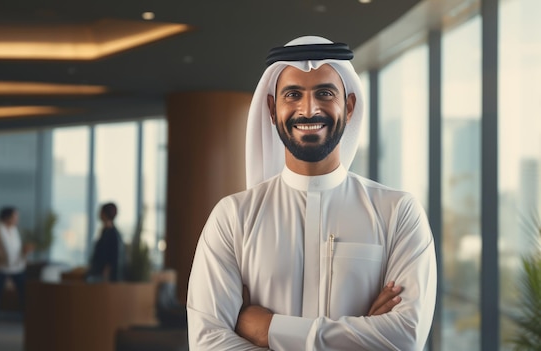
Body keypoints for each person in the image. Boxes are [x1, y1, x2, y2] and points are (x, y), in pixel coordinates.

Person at [186, 36, 437, 350]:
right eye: (292, 94)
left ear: (348, 106)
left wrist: (268, 330)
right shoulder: (233, 217)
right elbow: (208, 342)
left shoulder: (398, 213)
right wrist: (364, 334)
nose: (308, 109)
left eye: (324, 93)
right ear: (271, 109)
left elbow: (406, 336)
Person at [0, 206, 33, 342]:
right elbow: (7, 257)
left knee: (25, 296)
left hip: (16, 268)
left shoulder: (12, 229)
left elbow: (15, 252)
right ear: (7, 218)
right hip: (0, 269)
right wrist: (24, 253)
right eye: (15, 216)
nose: (17, 219)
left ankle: (30, 328)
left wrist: (23, 253)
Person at [86, 202, 126, 282]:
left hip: (104, 278)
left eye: (101, 211)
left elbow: (112, 257)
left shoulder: (112, 234)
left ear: (105, 214)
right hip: (99, 274)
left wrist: (106, 274)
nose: (99, 214)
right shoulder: (106, 232)